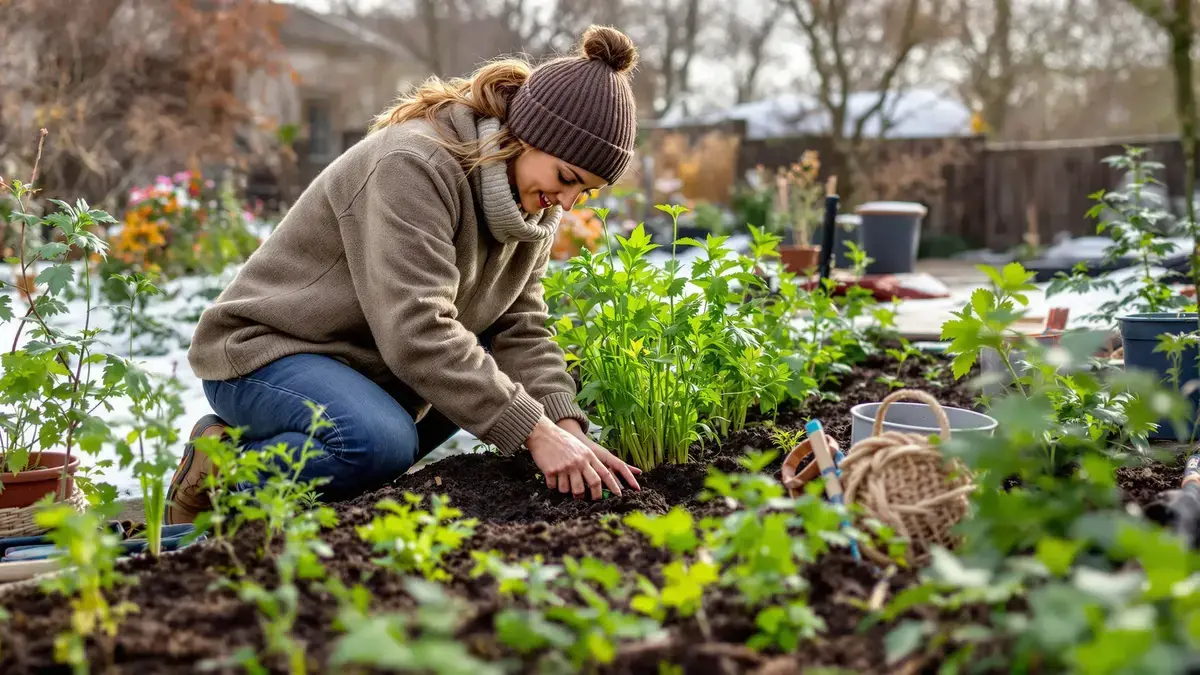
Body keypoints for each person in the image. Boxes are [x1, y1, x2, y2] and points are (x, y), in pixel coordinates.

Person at [166, 25, 645, 525]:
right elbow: (416, 328)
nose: (566, 203)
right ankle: (225, 472)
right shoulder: (414, 164)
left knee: (488, 399)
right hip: (269, 352)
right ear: (525, 136)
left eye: (584, 192)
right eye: (566, 178)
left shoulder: (532, 212)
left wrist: (563, 423)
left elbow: (519, 326)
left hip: (369, 366)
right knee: (376, 443)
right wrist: (534, 432)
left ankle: (280, 465)